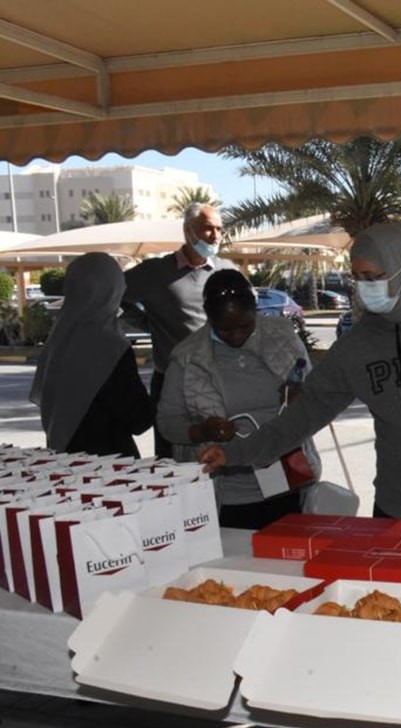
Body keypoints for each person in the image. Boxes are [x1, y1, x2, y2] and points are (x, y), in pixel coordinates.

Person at [197, 222, 401, 544]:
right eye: (358, 278)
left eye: (373, 277)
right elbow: (302, 416)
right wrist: (234, 453)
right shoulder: (356, 347)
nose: (365, 287)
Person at [157, 270, 315, 530]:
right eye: (225, 329)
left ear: (255, 310)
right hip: (226, 492)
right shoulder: (187, 357)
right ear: (209, 317)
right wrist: (202, 431)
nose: (236, 336)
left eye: (245, 326)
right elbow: (167, 423)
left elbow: (315, 393)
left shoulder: (283, 336)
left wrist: (301, 397)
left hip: (287, 480)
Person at [122, 203, 233, 457]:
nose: (215, 235)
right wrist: (148, 323)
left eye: (219, 229)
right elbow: (114, 294)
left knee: (219, 456)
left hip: (220, 379)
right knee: (170, 458)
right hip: (172, 382)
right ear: (188, 230)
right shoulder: (155, 271)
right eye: (208, 228)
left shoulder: (227, 270)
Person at [29, 252, 155, 456]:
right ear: (113, 290)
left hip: (63, 455)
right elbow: (139, 419)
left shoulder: (59, 338)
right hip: (108, 463)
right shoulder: (110, 346)